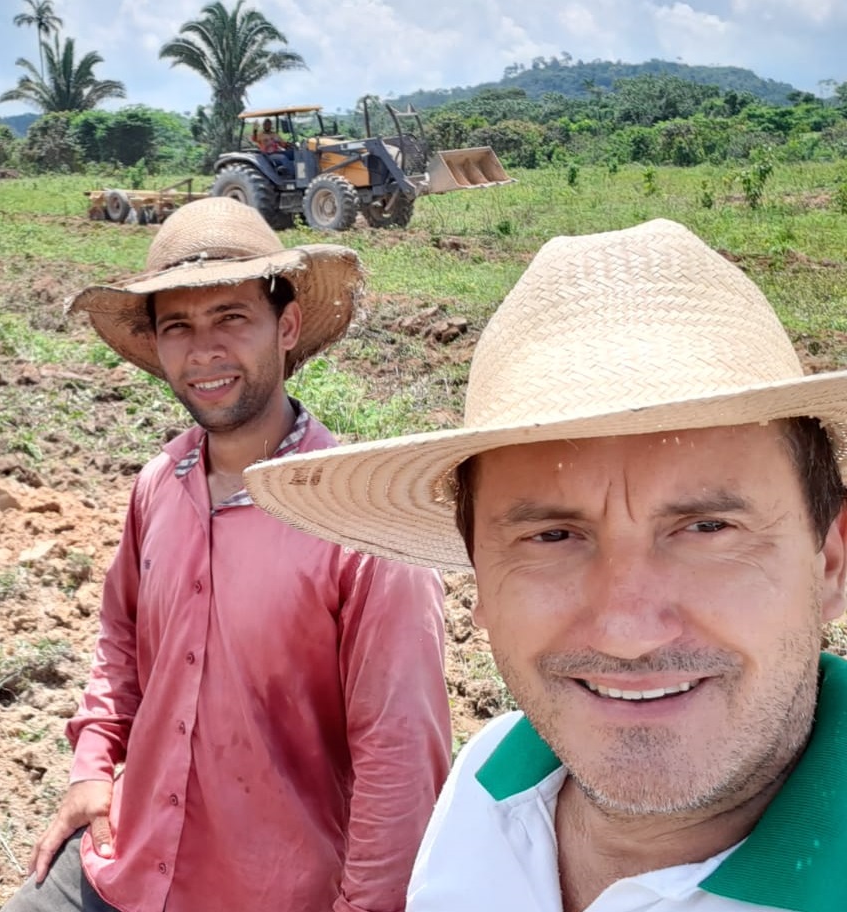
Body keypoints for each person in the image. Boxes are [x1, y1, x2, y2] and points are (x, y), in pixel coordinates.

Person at [244, 218, 847, 911]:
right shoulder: (487, 777)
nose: (627, 630)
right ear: (479, 581)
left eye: (707, 528)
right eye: (554, 536)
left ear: (829, 559)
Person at [1, 196, 451, 912]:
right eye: (178, 326)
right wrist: (92, 766)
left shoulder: (360, 527)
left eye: (231, 319)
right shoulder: (158, 486)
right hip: (132, 860)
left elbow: (398, 760)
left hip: (274, 888)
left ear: (288, 326)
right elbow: (121, 641)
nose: (204, 351)